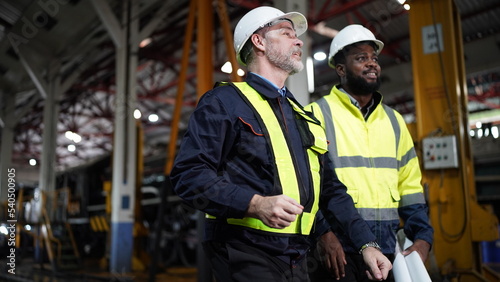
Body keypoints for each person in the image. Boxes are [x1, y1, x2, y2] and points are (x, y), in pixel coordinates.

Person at [170, 7, 391, 282]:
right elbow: (188, 176)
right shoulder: (224, 102)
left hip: (299, 256)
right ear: (259, 42)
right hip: (245, 251)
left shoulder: (304, 117)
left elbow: (331, 192)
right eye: (286, 33)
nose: (298, 40)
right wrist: (255, 204)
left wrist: (366, 244)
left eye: (296, 36)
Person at [306, 24, 434, 281]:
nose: (372, 64)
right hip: (337, 252)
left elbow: (410, 188)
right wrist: (324, 235)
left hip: (386, 249)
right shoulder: (316, 115)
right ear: (340, 69)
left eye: (374, 58)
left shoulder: (395, 121)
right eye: (361, 58)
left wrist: (423, 238)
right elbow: (305, 187)